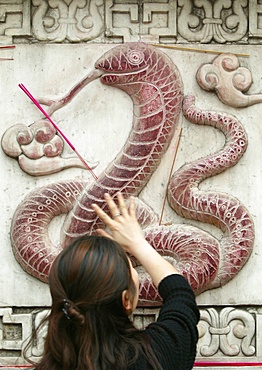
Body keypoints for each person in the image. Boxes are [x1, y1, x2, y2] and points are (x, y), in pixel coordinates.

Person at [26, 192, 199, 370]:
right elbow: (180, 297)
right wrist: (138, 244)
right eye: (130, 267)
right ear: (126, 300)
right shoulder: (156, 356)